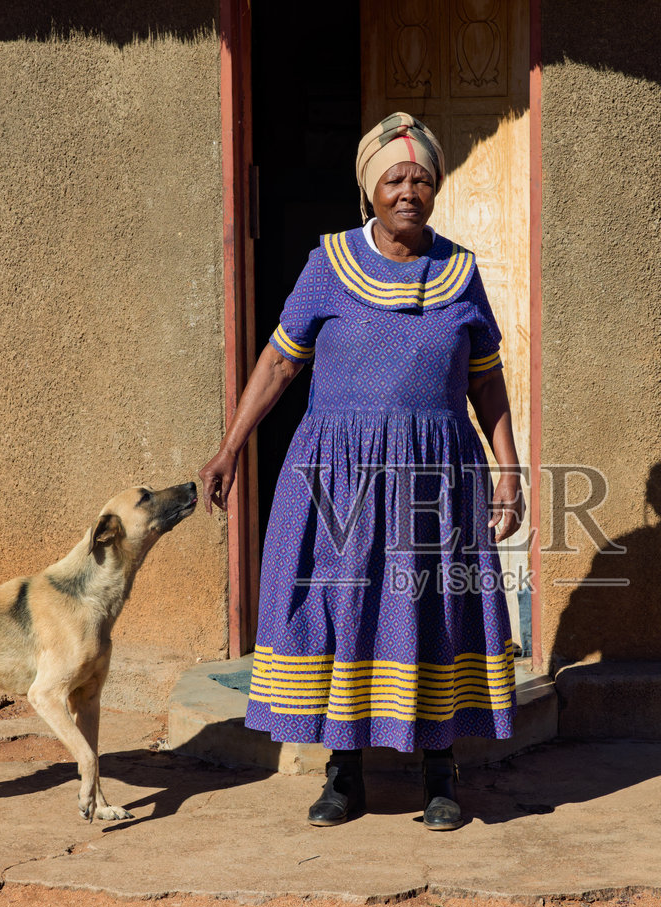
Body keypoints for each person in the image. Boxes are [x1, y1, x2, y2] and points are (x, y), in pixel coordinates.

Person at [198, 113, 523, 831]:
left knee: (430, 609)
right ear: (369, 190)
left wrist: (508, 468)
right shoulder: (329, 264)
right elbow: (280, 361)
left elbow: (487, 381)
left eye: (422, 178)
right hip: (338, 474)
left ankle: (442, 772)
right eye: (394, 178)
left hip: (434, 473)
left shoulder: (461, 273)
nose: (409, 190)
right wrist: (231, 446)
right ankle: (344, 775)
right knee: (344, 609)